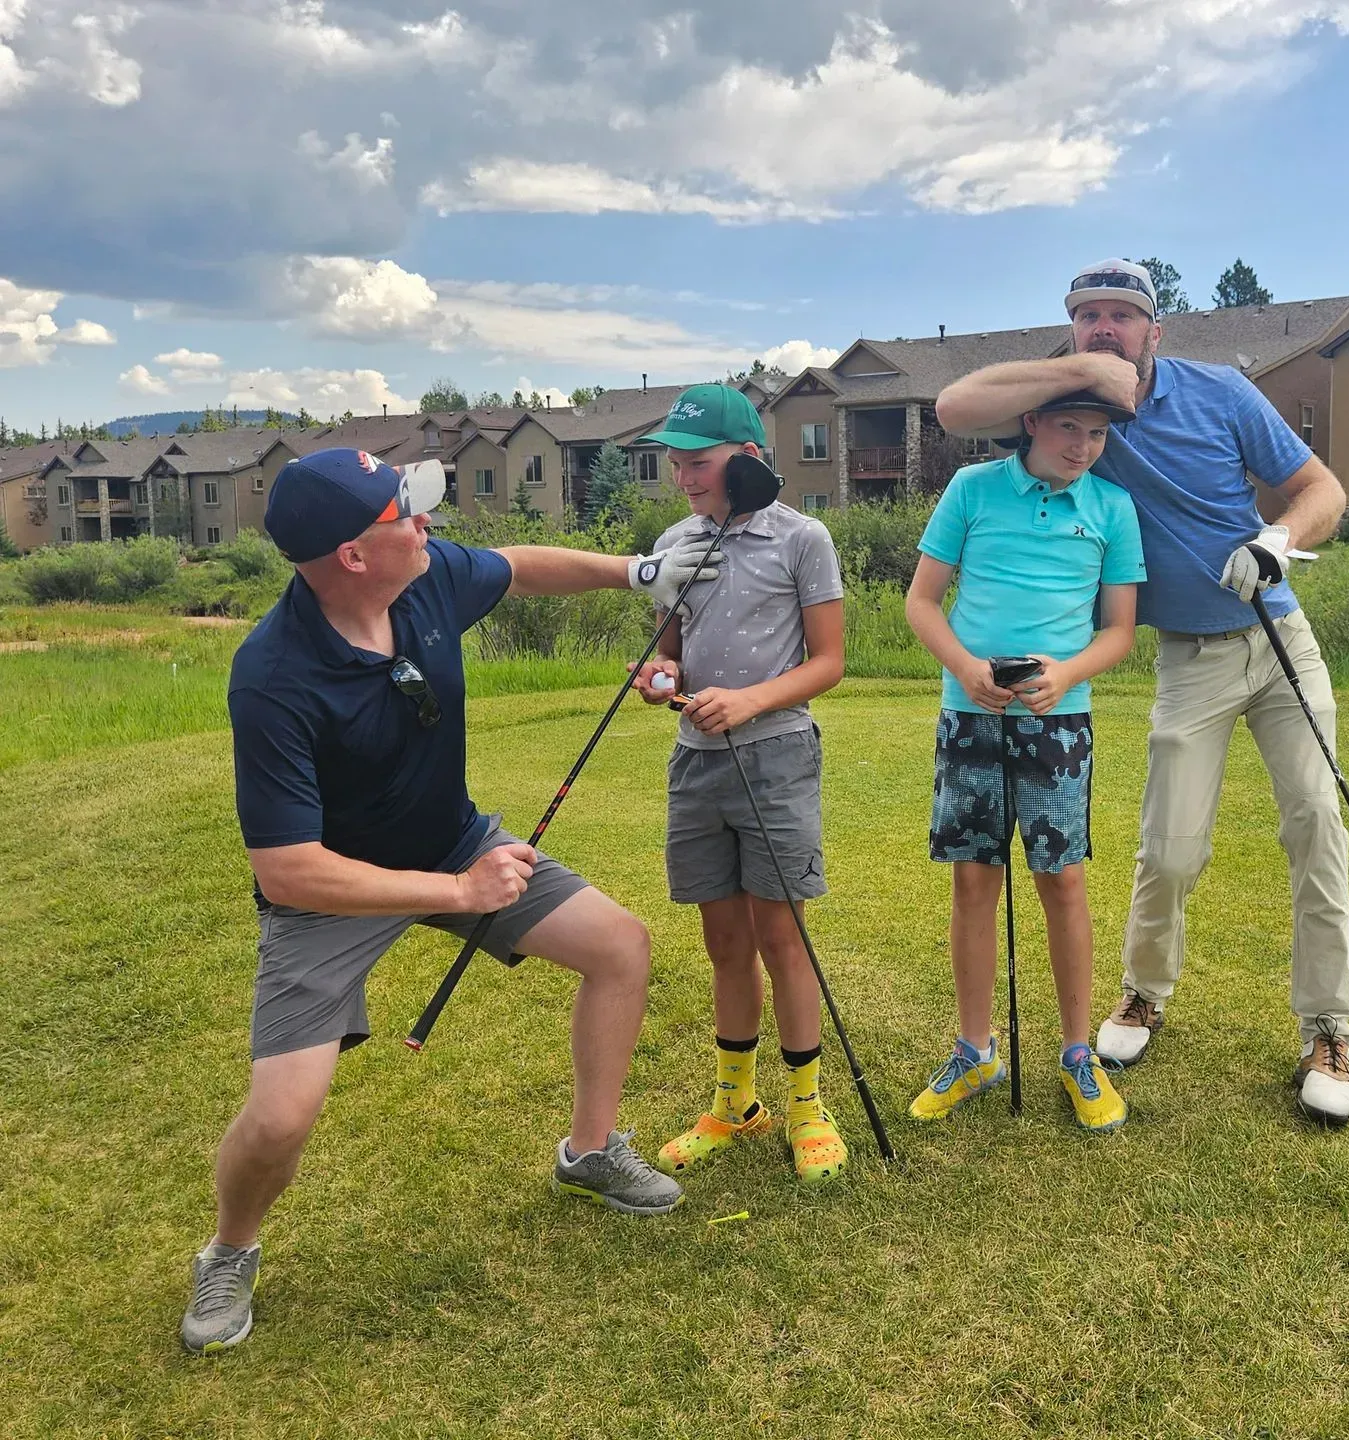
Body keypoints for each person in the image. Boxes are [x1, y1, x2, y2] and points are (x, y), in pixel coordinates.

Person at [183, 448, 717, 1355]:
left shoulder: (422, 578)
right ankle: (230, 1252)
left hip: (453, 843)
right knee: (279, 1117)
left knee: (619, 946)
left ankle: (590, 1153)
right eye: (408, 513)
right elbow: (287, 870)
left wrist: (638, 572)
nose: (428, 523)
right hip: (333, 897)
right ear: (354, 555)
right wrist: (458, 891)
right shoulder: (272, 676)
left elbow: (518, 566)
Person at [934, 258, 1349, 1128]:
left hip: (1275, 636)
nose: (1105, 326)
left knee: (1315, 819)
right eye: (1087, 315)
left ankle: (1328, 1030)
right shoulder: (1071, 419)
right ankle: (1142, 996)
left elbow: (1327, 489)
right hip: (1188, 657)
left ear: (1155, 333)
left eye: (1122, 316)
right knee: (1169, 848)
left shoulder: (1222, 394)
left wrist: (1278, 538)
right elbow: (952, 410)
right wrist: (1081, 377)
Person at [903, 391, 1145, 1132]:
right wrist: (967, 668)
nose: (1083, 446)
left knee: (1062, 880)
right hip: (972, 715)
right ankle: (975, 1050)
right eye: (1069, 427)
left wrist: (1068, 674)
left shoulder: (1113, 506)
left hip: (1059, 720)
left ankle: (1079, 1053)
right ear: (1032, 423)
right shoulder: (972, 489)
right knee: (975, 882)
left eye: (1098, 433)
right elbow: (920, 602)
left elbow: (1121, 630)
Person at [630, 385, 850, 1186]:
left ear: (748, 459)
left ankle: (806, 1106)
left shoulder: (804, 539)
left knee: (778, 938)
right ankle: (736, 1103)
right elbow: (670, 650)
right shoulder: (676, 541)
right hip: (696, 763)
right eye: (676, 464)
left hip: (778, 757)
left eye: (699, 463)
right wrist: (659, 675)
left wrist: (751, 700)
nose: (685, 478)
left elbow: (829, 662)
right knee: (722, 943)